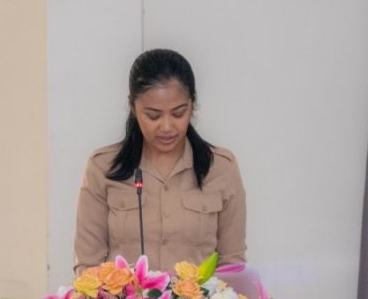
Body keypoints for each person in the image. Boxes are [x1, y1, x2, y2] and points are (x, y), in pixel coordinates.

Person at [74, 48, 246, 275]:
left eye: (178, 113)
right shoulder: (102, 167)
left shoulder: (221, 168)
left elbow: (232, 266)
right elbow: (88, 265)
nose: (166, 127)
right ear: (133, 107)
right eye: (153, 115)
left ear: (192, 104)